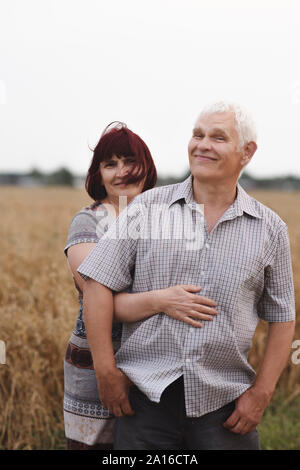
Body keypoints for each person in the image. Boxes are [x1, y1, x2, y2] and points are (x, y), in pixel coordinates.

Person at [77, 103, 296, 450]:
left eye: (218, 137)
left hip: (224, 409)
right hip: (144, 403)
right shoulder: (147, 209)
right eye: (198, 135)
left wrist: (261, 393)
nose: (202, 145)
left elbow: (283, 317)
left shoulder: (270, 229)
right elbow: (97, 283)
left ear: (247, 152)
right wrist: (106, 372)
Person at [64, 122, 218, 449]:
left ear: (147, 166)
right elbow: (98, 295)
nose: (122, 172)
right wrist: (163, 300)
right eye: (110, 164)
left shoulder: (170, 219)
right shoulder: (89, 221)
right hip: (100, 359)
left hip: (157, 361)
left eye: (130, 161)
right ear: (97, 175)